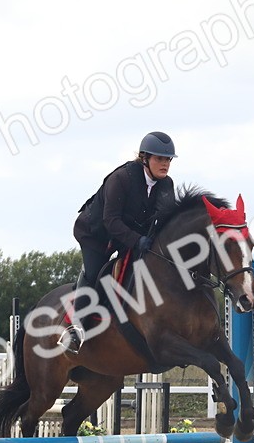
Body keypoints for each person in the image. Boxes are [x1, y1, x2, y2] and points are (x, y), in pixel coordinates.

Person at [60, 131, 179, 353]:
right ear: (145, 158)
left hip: (126, 234)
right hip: (96, 233)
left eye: (168, 160)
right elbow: (110, 220)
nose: (165, 164)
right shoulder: (122, 178)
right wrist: (137, 240)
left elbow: (166, 219)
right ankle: (74, 329)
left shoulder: (166, 185)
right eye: (159, 159)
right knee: (94, 273)